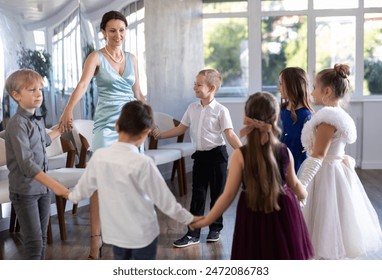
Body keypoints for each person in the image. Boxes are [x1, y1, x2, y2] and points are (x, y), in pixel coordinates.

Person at [58, 10, 147, 259]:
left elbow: (138, 92)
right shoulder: (96, 57)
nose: (118, 35)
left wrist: (149, 119)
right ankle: (95, 240)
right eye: (112, 30)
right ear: (103, 32)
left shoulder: (131, 57)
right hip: (107, 125)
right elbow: (83, 85)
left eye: (121, 30)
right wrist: (68, 110)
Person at [190, 91, 314, 259]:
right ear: (276, 117)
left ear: (247, 117)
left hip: (252, 211)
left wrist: (206, 220)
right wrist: (303, 194)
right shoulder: (285, 151)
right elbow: (295, 185)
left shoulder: (239, 155)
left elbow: (227, 196)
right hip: (284, 210)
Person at [67, 101, 195, 260]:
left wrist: (64, 191)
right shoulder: (144, 163)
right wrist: (191, 219)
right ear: (146, 133)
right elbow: (166, 202)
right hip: (143, 235)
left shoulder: (99, 157)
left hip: (117, 235)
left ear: (116, 126)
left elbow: (80, 193)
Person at [298, 64, 382, 259]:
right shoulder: (337, 116)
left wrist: (301, 185)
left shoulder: (327, 119)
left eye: (315, 87)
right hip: (334, 170)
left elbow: (318, 154)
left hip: (326, 174)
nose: (312, 92)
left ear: (327, 91)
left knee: (326, 220)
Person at [152, 69, 242, 247]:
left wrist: (246, 153)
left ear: (212, 87)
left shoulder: (221, 111)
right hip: (200, 157)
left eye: (198, 84)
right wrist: (161, 135)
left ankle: (215, 228)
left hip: (218, 156)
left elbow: (230, 134)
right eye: (195, 83)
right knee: (198, 196)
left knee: (217, 196)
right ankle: (193, 234)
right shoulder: (192, 108)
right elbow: (180, 129)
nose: (195, 87)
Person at [4, 69, 70, 259]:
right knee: (33, 244)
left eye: (39, 89)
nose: (38, 93)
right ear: (16, 95)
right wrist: (56, 186)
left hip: (41, 190)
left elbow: (45, 141)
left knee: (40, 239)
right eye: (31, 90)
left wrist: (60, 129)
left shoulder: (36, 120)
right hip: (25, 191)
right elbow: (26, 164)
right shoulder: (17, 124)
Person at [278, 67, 314, 172]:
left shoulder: (306, 116)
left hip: (296, 169)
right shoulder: (280, 110)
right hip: (277, 166)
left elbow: (309, 149)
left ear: (292, 86)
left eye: (281, 84)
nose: (279, 88)